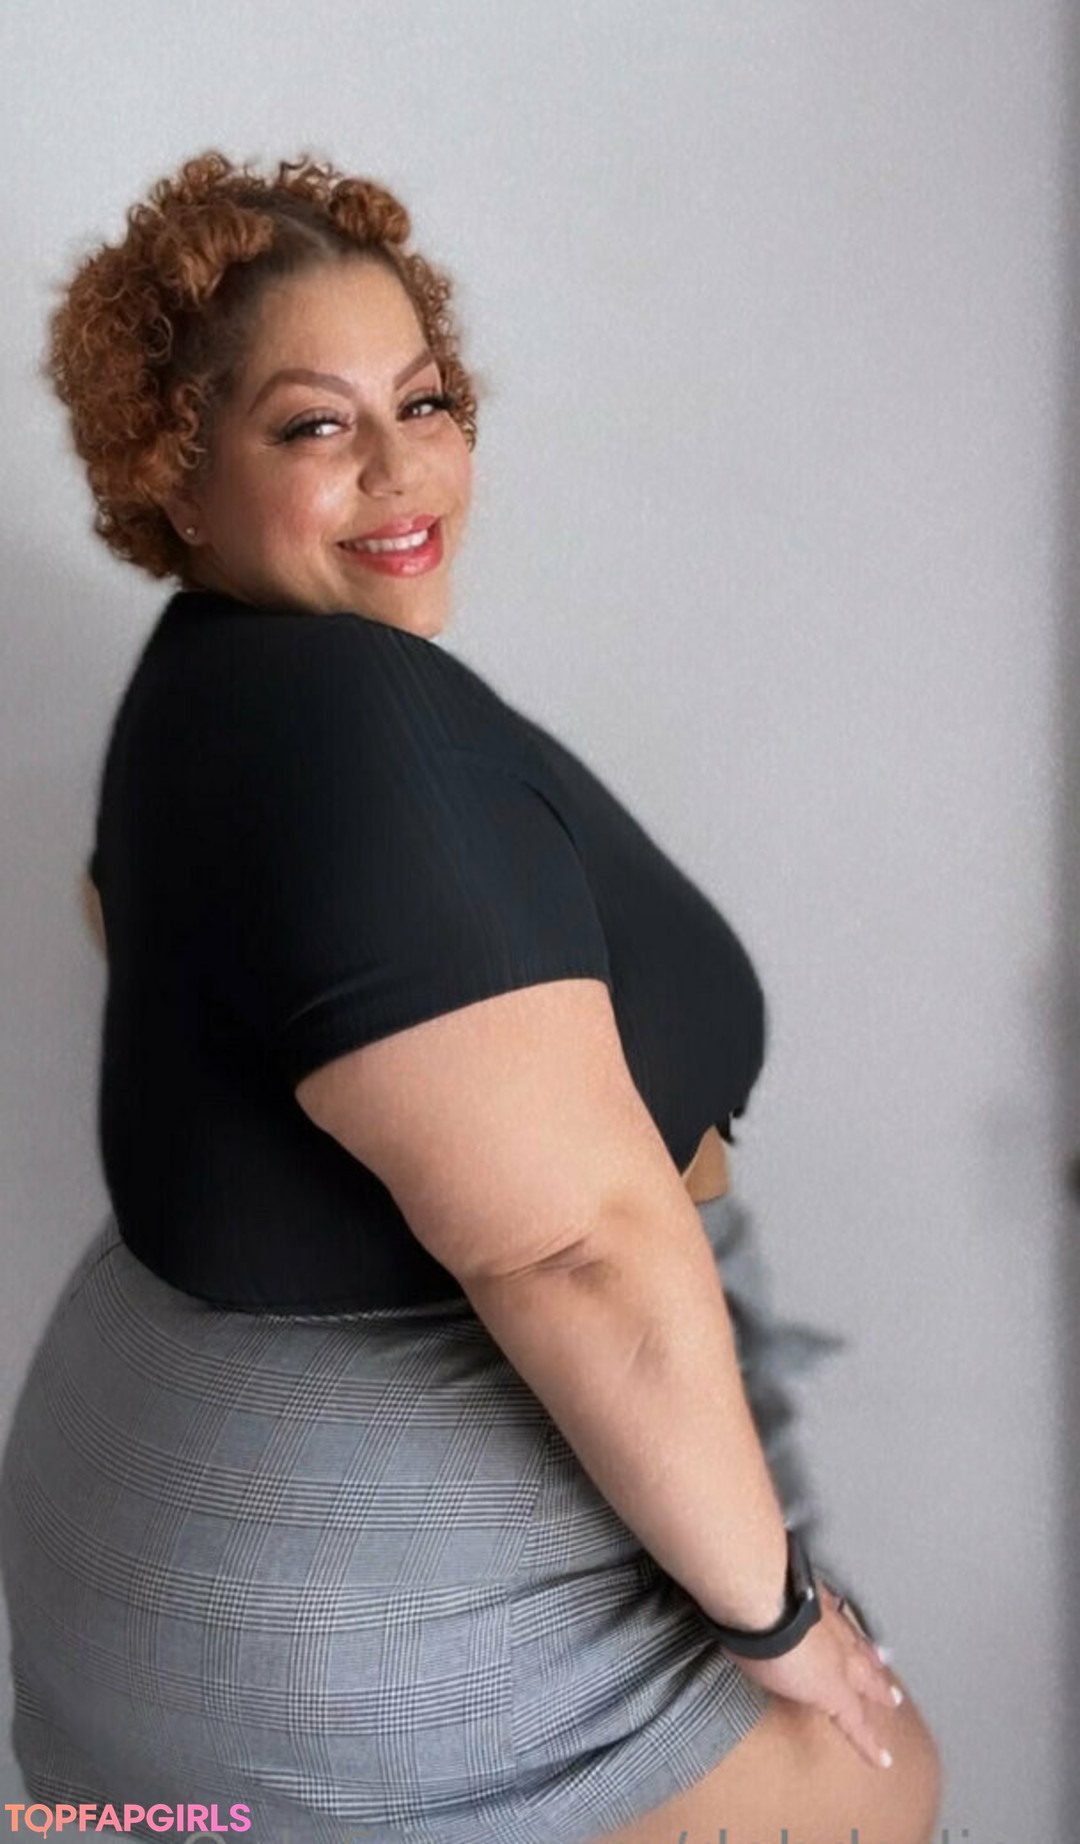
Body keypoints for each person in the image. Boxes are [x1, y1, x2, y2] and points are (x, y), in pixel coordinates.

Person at [0, 151, 942, 1844]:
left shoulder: (202, 685)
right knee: (874, 1781)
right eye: (314, 424)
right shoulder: (366, 728)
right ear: (178, 477)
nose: (400, 465)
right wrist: (779, 1620)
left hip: (144, 1575)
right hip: (333, 1632)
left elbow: (129, 925)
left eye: (424, 400)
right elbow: (574, 1252)